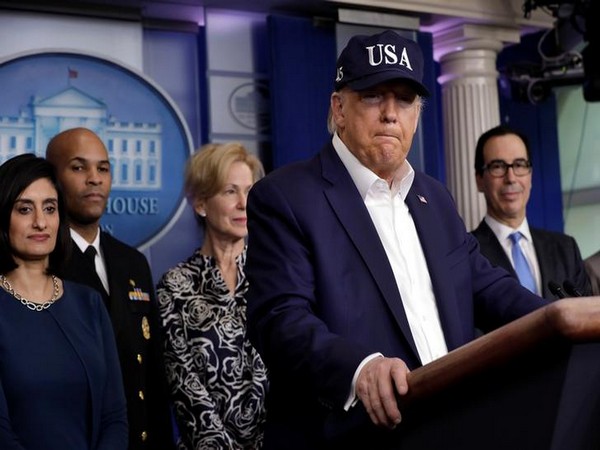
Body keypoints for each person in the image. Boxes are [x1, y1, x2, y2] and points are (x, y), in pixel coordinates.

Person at [244, 30, 549, 449]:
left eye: (404, 100)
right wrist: (360, 368)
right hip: (353, 435)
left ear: (417, 114)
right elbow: (280, 320)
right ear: (339, 109)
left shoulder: (435, 197)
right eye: (372, 95)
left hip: (455, 428)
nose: (390, 113)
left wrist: (561, 319)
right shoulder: (285, 197)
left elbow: (487, 286)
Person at [45, 128, 175, 450]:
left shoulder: (132, 263)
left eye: (103, 168)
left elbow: (153, 375)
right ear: (53, 178)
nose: (94, 178)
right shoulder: (42, 264)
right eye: (79, 167)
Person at [0, 154, 127, 450]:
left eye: (50, 208)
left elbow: (115, 416)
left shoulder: (89, 303)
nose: (40, 222)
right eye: (24, 209)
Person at [156, 142, 268, 449]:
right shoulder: (175, 286)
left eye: (249, 190)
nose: (244, 203)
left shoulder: (277, 277)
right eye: (230, 191)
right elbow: (185, 388)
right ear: (201, 203)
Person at [471, 125, 591, 300]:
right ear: (479, 180)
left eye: (519, 165)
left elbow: (587, 318)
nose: (511, 178)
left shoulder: (566, 249)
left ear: (530, 175)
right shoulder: (467, 253)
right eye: (498, 166)